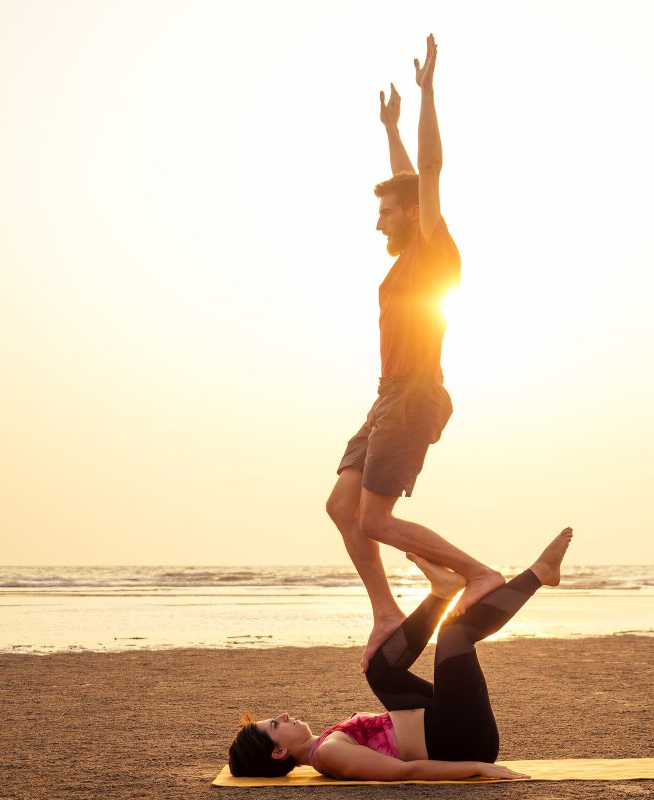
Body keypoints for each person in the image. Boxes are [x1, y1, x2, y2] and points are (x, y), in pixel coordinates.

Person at [325, 33, 503, 673]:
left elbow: (426, 176)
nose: (378, 221)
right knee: (342, 509)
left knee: (374, 519)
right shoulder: (406, 259)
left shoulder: (435, 255)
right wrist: (392, 129)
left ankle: (473, 573)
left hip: (416, 392)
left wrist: (427, 95)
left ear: (411, 215)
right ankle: (386, 611)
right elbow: (409, 178)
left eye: (385, 212)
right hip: (386, 394)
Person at [228, 529, 573, 781]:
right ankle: (540, 574)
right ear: (279, 752)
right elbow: (404, 771)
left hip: (443, 723)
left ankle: (442, 592)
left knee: (379, 670)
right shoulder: (329, 755)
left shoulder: (326, 743)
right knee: (455, 635)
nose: (284, 715)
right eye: (275, 724)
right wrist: (479, 767)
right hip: (462, 741)